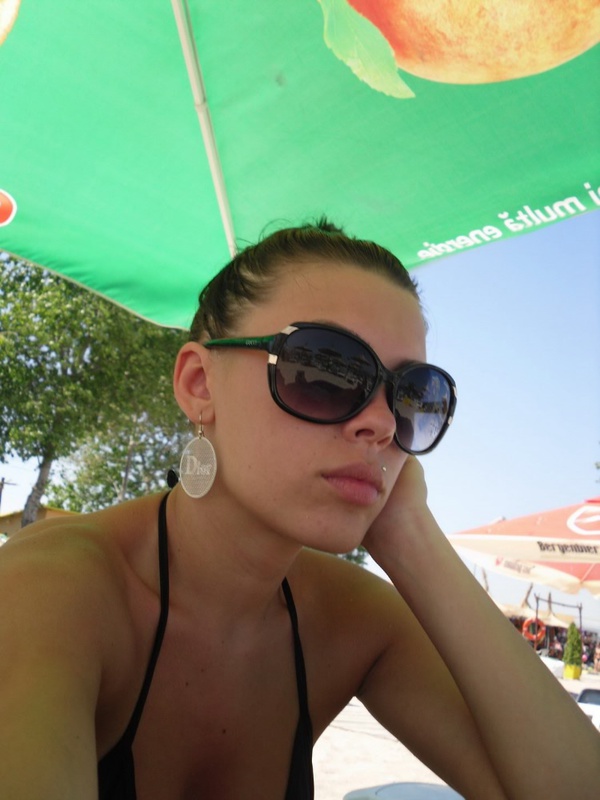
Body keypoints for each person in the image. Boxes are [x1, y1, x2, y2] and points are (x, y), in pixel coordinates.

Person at [0, 219, 598, 800]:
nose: (381, 423)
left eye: (413, 397)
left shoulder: (355, 623)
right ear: (200, 385)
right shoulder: (52, 589)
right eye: (324, 369)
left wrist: (411, 535)